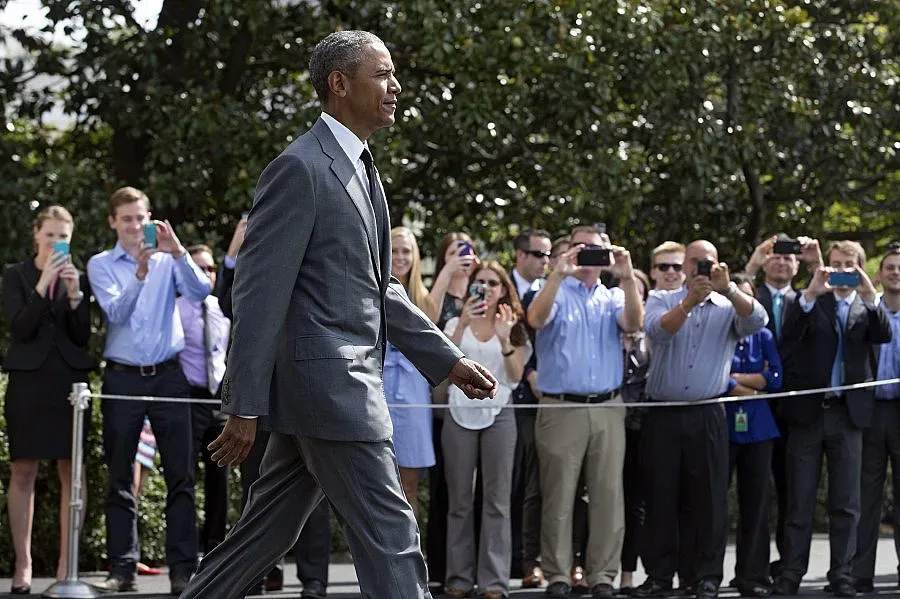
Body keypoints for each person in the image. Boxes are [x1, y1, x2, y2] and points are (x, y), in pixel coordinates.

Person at [177, 30, 497, 599]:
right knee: (393, 538)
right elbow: (257, 295)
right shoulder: (299, 169)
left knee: (262, 536)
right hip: (336, 391)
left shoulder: (360, 167)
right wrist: (243, 405)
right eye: (383, 74)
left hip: (321, 392)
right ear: (339, 83)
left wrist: (446, 360)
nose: (396, 86)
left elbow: (378, 288)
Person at [87, 186, 211, 594]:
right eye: (127, 219)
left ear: (150, 218)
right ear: (113, 222)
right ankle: (123, 568)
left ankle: (182, 570)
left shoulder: (168, 259)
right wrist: (139, 275)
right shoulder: (101, 264)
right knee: (120, 475)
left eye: (141, 217)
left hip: (168, 375)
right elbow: (115, 312)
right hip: (122, 377)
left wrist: (178, 252)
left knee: (181, 474)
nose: (135, 226)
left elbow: (201, 292)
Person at [636, 240, 767, 599]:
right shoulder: (662, 298)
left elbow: (758, 320)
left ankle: (706, 576)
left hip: (707, 412)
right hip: (663, 412)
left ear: (717, 264)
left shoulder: (728, 305)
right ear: (683, 267)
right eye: (693, 262)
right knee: (661, 497)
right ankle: (660, 576)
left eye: (706, 262)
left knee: (708, 499)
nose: (698, 268)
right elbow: (658, 331)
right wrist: (688, 302)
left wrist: (730, 290)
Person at [217, 214, 332, 598]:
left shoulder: (314, 257)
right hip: (261, 399)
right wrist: (234, 252)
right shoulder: (253, 262)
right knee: (258, 491)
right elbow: (229, 308)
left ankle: (314, 579)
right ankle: (259, 574)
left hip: (309, 390)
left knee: (315, 488)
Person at [528, 225, 644, 599]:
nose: (587, 255)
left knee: (608, 496)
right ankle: (558, 575)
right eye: (580, 247)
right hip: (562, 407)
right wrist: (557, 274)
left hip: (608, 405)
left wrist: (628, 276)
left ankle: (602, 576)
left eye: (595, 248)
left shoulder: (613, 295)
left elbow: (634, 323)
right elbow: (536, 319)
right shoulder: (552, 289)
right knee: (558, 496)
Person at [773, 241, 891, 597]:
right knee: (799, 500)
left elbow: (883, 334)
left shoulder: (867, 306)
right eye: (836, 264)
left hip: (848, 415)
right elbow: (788, 334)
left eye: (848, 265)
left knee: (846, 503)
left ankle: (842, 574)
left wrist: (868, 294)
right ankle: (791, 573)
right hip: (809, 414)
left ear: (860, 268)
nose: (841, 270)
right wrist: (811, 292)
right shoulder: (810, 302)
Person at [3, 205, 95, 593]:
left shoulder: (80, 277)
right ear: (36, 234)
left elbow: (83, 336)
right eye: (50, 235)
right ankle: (23, 564)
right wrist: (43, 284)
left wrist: (75, 295)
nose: (56, 242)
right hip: (29, 382)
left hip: (69, 383)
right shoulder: (15, 275)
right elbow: (20, 328)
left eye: (63, 236)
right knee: (23, 470)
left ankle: (65, 563)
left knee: (72, 471)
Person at [442, 261, 530, 599]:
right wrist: (462, 324)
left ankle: (494, 582)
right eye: (481, 282)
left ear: (504, 289)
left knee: (497, 500)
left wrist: (505, 338)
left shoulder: (513, 326)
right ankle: (459, 579)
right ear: (471, 287)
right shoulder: (455, 322)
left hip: (500, 413)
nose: (487, 288)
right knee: (459, 500)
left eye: (494, 283)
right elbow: (442, 367)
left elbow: (516, 376)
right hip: (459, 412)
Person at [742, 233, 822, 579]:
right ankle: (753, 568)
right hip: (753, 405)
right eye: (774, 256)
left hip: (795, 411)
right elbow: (728, 296)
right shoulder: (750, 296)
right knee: (756, 491)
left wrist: (817, 262)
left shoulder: (807, 299)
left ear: (797, 266)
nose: (781, 262)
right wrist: (751, 264)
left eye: (789, 257)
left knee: (793, 491)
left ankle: (788, 565)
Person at [518, 235, 571, 590]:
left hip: (566, 402)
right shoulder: (532, 294)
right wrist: (530, 372)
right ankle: (530, 560)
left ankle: (571, 561)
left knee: (570, 490)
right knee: (535, 487)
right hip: (533, 400)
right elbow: (523, 341)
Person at [725, 273, 783, 598]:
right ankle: (706, 573)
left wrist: (736, 380)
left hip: (759, 428)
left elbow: (774, 378)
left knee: (757, 504)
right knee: (714, 502)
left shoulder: (764, 335)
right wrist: (750, 384)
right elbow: (716, 376)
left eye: (747, 299)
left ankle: (752, 574)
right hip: (721, 425)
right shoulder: (719, 331)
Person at [427, 230, 478, 593]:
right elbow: (426, 318)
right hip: (441, 404)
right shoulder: (438, 293)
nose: (462, 257)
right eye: (454, 252)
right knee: (443, 488)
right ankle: (440, 568)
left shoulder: (483, 289)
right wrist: (446, 273)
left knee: (473, 493)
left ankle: (471, 568)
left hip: (480, 403)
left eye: (467, 250)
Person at [177, 244, 232, 556]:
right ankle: (186, 550)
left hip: (219, 399)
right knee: (186, 475)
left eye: (211, 269)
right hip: (188, 397)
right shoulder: (176, 306)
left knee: (219, 477)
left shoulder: (220, 308)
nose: (208, 274)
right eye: (200, 268)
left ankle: (214, 547)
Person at [852, 242, 900, 591]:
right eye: (890, 267)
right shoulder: (864, 308)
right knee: (865, 497)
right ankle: (861, 573)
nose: (896, 272)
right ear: (879, 274)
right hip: (870, 413)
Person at [386, 226, 438, 520]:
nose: (400, 257)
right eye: (394, 250)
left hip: (414, 397)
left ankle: (410, 548)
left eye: (406, 251)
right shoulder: (369, 290)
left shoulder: (424, 298)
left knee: (408, 487)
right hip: (378, 391)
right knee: (375, 487)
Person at [620, 268, 651, 594]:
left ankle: (628, 573)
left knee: (635, 503)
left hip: (642, 428)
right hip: (610, 422)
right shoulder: (605, 332)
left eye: (638, 292)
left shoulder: (651, 335)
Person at [510, 229, 552, 298]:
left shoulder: (551, 291)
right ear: (520, 255)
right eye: (539, 254)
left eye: (548, 255)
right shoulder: (499, 287)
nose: (546, 261)